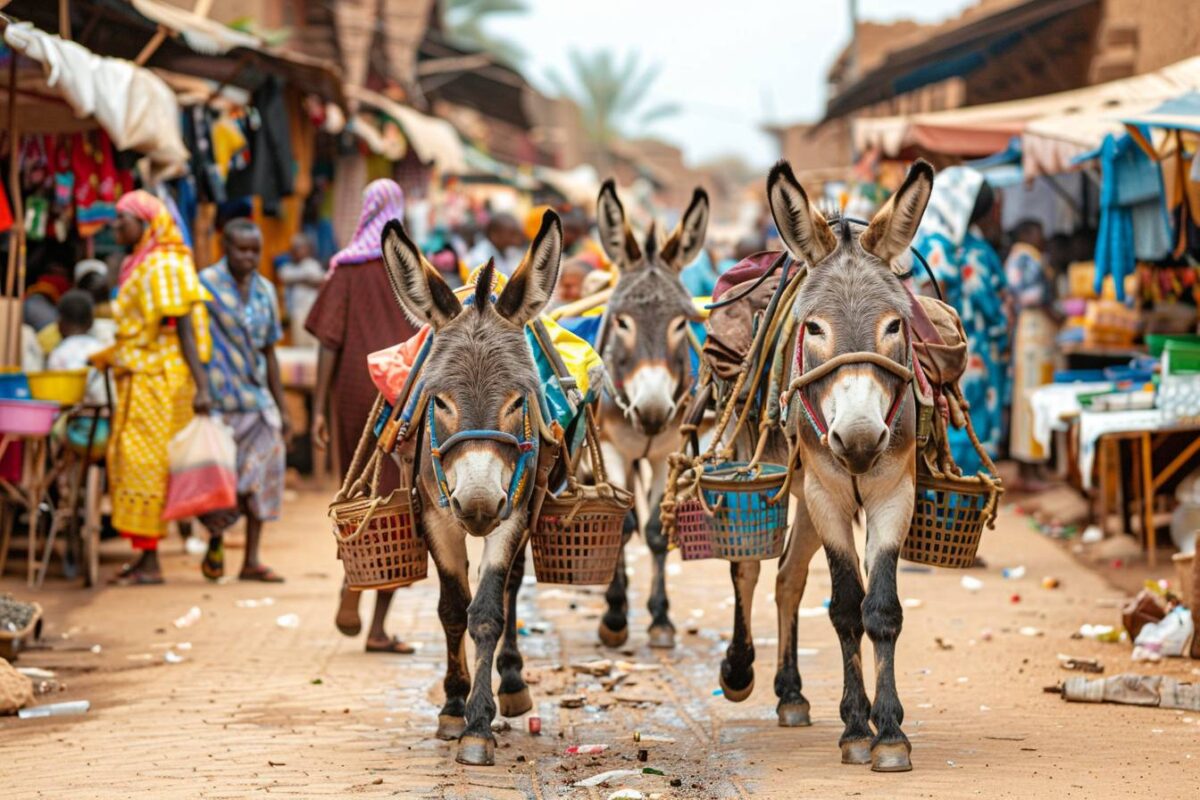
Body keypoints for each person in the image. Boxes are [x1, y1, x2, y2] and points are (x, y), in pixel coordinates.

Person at [305, 179, 419, 654]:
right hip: (403, 393)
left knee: (357, 492)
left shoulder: (344, 270)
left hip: (353, 395)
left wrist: (317, 410)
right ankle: (377, 624)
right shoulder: (410, 269)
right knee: (399, 500)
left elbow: (327, 342)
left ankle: (353, 578)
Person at [97, 190, 211, 585]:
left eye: (122, 220)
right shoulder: (139, 262)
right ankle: (145, 555)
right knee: (137, 466)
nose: (115, 227)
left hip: (158, 383)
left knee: (146, 467)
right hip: (141, 376)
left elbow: (181, 326)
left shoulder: (162, 264)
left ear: (145, 224)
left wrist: (203, 386)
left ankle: (152, 562)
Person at [195, 219, 290, 583]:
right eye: (242, 250)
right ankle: (216, 541)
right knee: (222, 483)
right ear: (225, 247)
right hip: (219, 401)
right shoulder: (204, 287)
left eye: (255, 250)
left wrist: (282, 408)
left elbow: (270, 351)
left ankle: (252, 558)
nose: (249, 257)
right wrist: (199, 387)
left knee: (262, 478)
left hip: (257, 402)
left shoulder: (266, 291)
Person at [914, 168, 1010, 476]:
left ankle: (964, 502)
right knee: (961, 424)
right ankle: (959, 505)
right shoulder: (947, 246)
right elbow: (934, 304)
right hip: (960, 353)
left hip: (969, 352)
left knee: (969, 427)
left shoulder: (958, 244)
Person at [1005, 219, 1057, 476]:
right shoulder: (1028, 259)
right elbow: (1039, 296)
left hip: (1029, 335)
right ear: (1027, 233)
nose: (1043, 236)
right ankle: (1030, 468)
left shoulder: (1017, 259)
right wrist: (1058, 316)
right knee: (1033, 400)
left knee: (1029, 400)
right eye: (1039, 231)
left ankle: (1031, 466)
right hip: (1034, 333)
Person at [277, 232, 324, 348]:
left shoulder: (312, 264)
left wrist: (299, 279)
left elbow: (320, 280)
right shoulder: (288, 267)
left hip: (313, 312)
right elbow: (284, 276)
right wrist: (306, 279)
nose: (297, 251)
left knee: (314, 345)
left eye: (300, 247)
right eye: (294, 248)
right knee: (299, 346)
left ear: (308, 249)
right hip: (297, 313)